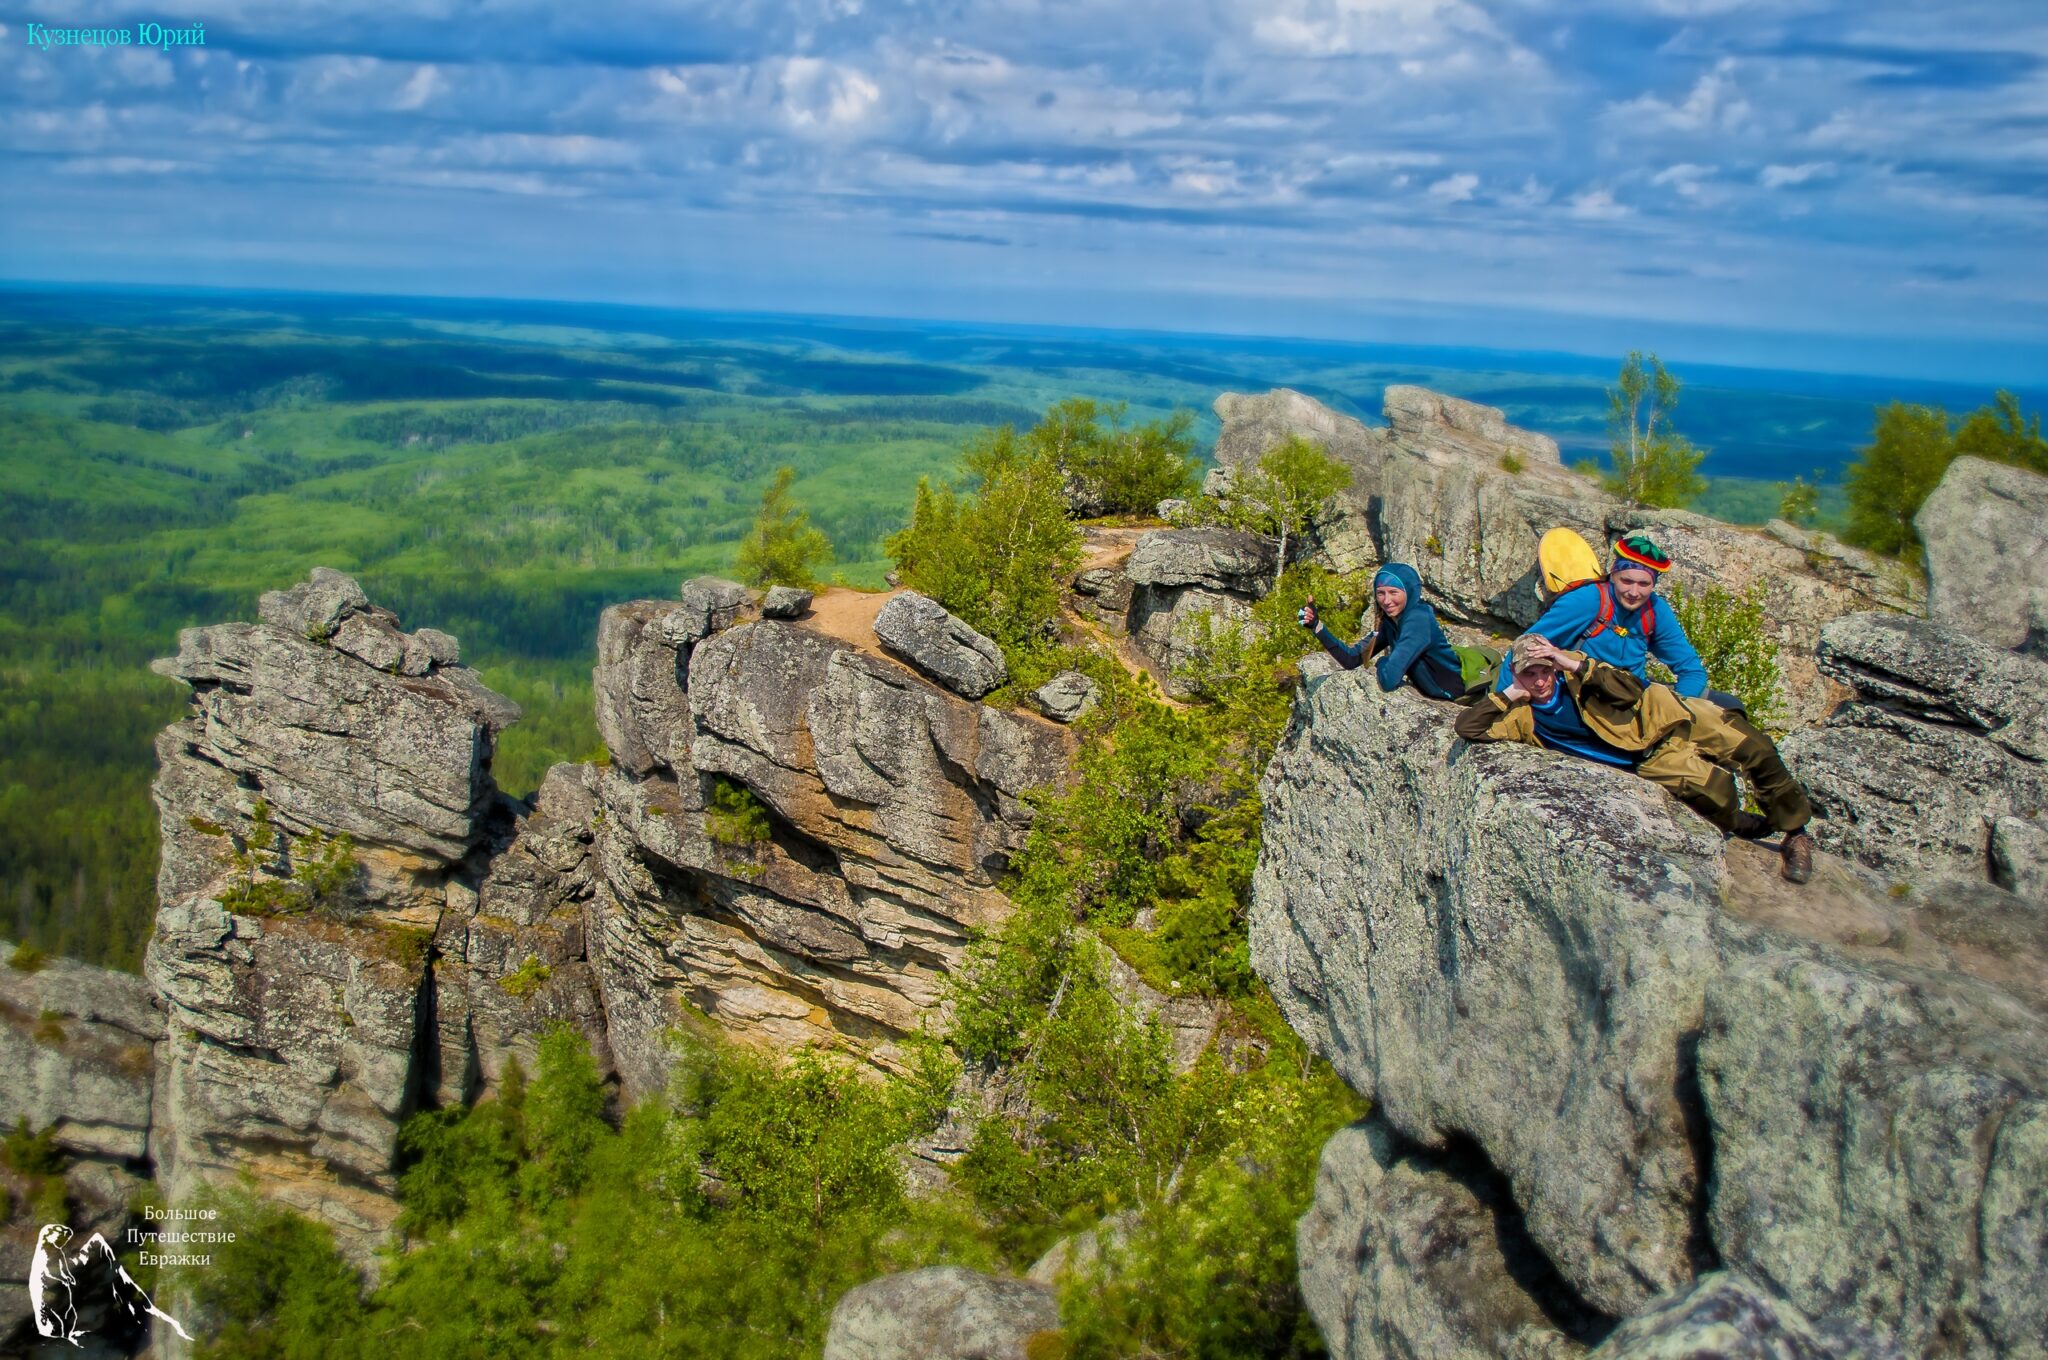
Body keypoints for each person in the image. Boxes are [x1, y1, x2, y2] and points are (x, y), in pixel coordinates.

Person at [1456, 633, 1816, 883]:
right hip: (1649, 756)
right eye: (1529, 673)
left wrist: (1570, 664)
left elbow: (1630, 690)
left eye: (1544, 670)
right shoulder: (1522, 717)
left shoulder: (1578, 673)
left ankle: (1796, 833)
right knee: (1717, 792)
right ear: (1516, 675)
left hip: (1668, 715)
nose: (1539, 681)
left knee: (1756, 748)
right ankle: (1748, 826)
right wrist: (1506, 694)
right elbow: (1467, 727)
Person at [1498, 530, 1728, 704]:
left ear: (1653, 584)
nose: (1634, 592)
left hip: (1632, 696)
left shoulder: (1656, 610)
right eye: (1626, 581)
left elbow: (1691, 670)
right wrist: (1504, 701)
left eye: (1644, 583)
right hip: (1583, 696)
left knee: (1729, 705)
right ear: (1614, 576)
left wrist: (1676, 707)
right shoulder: (1587, 601)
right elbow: (1522, 649)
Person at [1297, 563, 1476, 700]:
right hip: (1434, 688)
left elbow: (1389, 680)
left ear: (1410, 592)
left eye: (1393, 592)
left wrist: (1383, 661)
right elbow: (1353, 658)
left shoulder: (1418, 619)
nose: (1386, 600)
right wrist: (1317, 626)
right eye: (1380, 593)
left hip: (1450, 692)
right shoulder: (1391, 622)